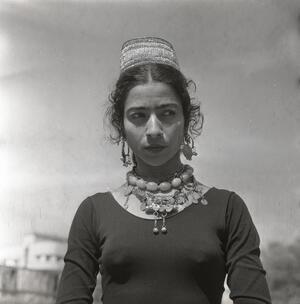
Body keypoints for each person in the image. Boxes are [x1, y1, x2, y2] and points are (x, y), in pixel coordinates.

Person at [56, 37, 272, 304]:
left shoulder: (227, 209)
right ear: (121, 126)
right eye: (138, 115)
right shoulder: (93, 212)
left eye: (167, 113)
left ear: (186, 120)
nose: (154, 129)